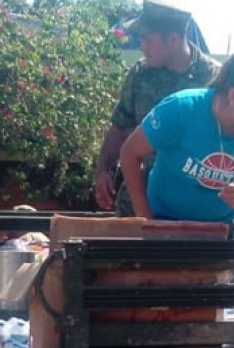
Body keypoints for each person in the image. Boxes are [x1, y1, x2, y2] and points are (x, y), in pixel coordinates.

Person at [119, 49, 234, 232]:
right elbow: (129, 153)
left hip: (225, 229)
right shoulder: (180, 109)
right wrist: (146, 220)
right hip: (166, 222)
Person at [94, 0, 220, 215]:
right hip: (139, 199)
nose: (142, 46)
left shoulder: (214, 79)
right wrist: (103, 170)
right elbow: (120, 128)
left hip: (194, 205)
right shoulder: (141, 75)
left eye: (148, 39)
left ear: (173, 39)